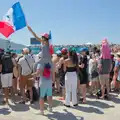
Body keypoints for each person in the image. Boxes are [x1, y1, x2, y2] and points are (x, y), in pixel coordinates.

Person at [27, 25, 55, 115]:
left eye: (42, 37)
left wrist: (34, 75)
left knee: (42, 97)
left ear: (44, 38)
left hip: (43, 81)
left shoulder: (46, 45)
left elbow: (39, 70)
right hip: (49, 79)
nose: (41, 39)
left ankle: (42, 111)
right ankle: (50, 108)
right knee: (50, 95)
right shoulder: (47, 48)